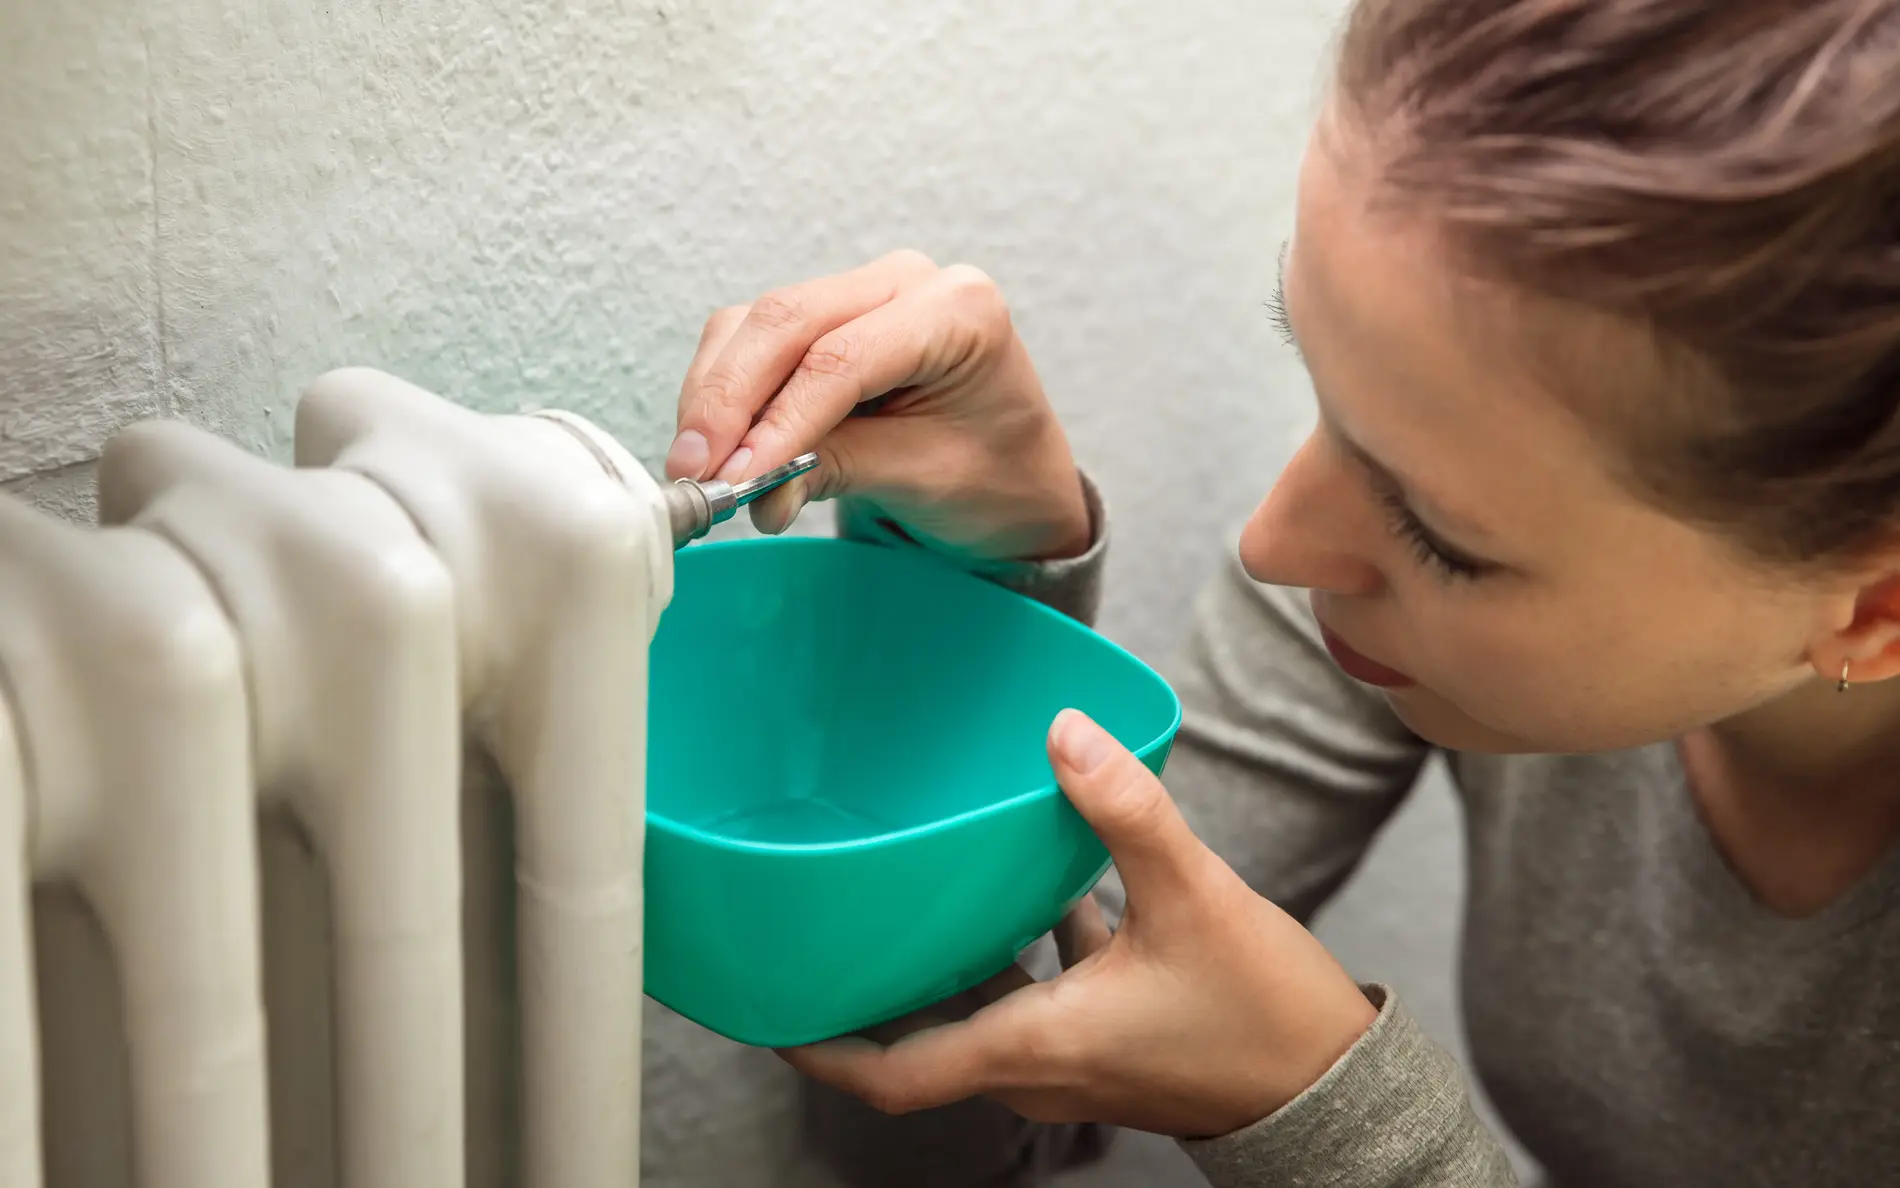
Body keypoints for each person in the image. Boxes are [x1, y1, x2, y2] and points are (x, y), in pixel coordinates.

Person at [659, 2, 1900, 1184]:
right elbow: (947, 1128)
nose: (1272, 542)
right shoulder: (1383, 605)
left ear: (1871, 608)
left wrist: (1323, 1116)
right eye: (1316, 380)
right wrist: (969, 593)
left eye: (1440, 533)